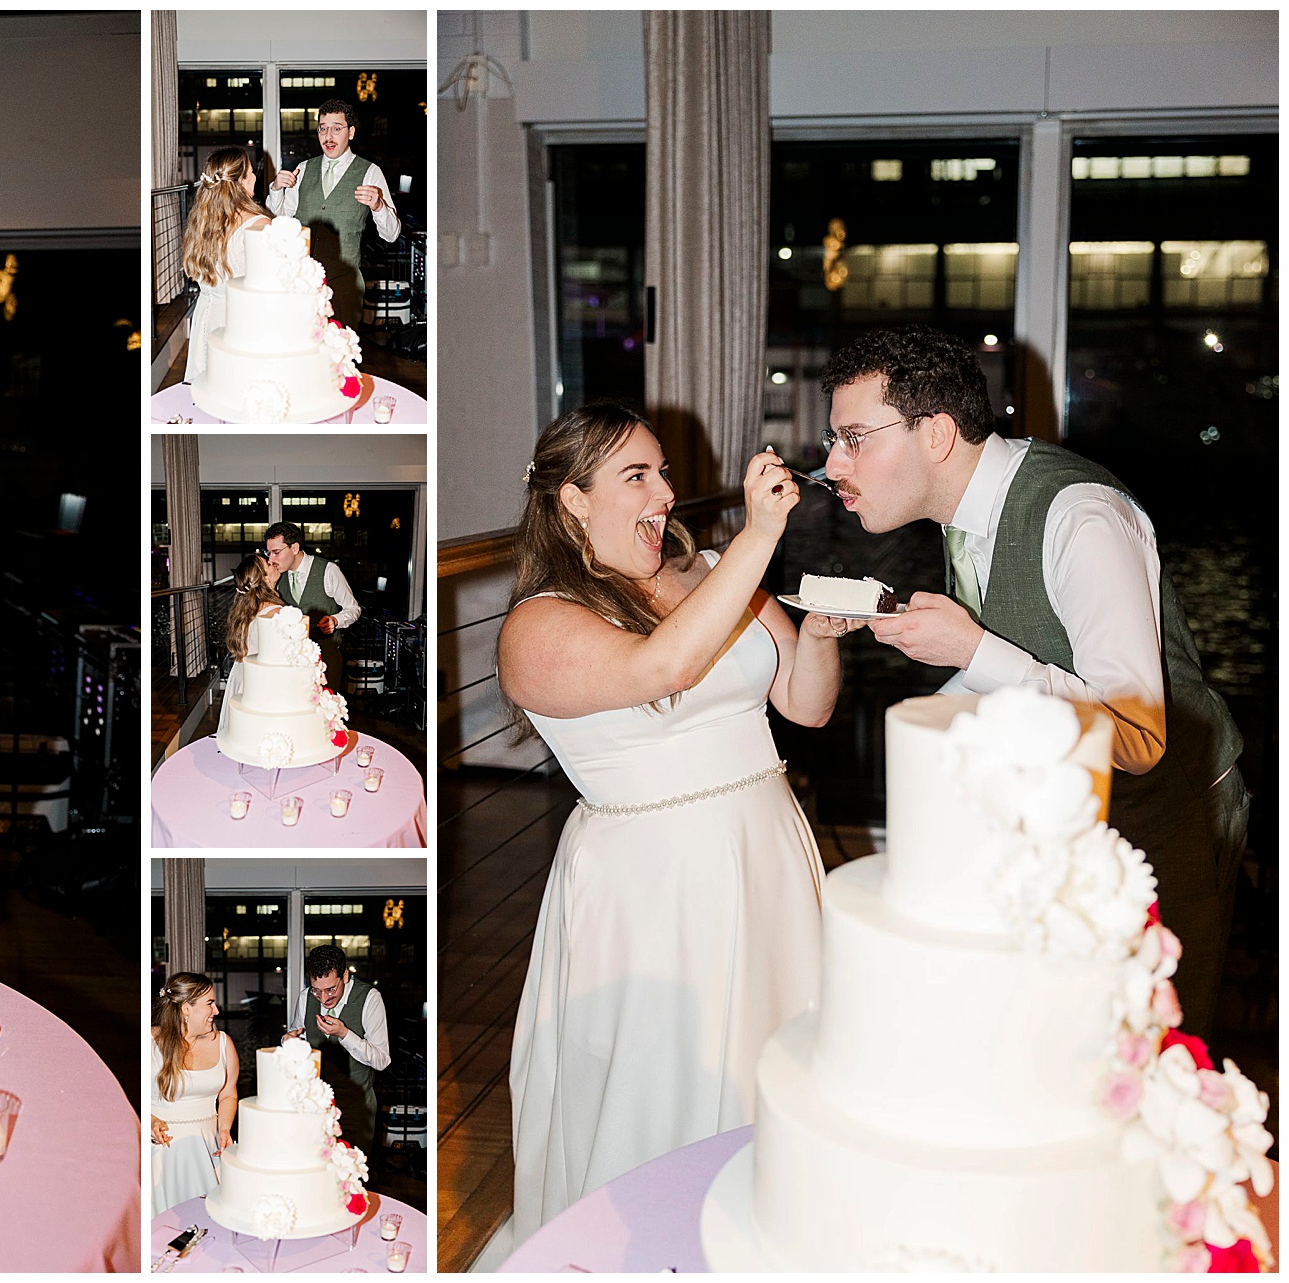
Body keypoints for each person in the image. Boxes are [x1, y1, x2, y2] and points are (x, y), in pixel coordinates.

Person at [495, 403, 859, 1247]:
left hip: (765, 854)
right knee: (666, 1088)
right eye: (637, 476)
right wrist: (759, 537)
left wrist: (822, 634)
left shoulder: (703, 575)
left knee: (776, 1072)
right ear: (574, 500)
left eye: (662, 471)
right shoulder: (537, 625)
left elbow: (805, 704)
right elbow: (662, 665)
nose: (665, 492)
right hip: (655, 888)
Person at [823, 324, 1247, 1038]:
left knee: (1146, 1057)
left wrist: (975, 647)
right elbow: (1014, 664)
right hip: (1066, 825)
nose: (833, 463)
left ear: (936, 434)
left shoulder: (1080, 518)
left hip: (1164, 821)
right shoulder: (963, 516)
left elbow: (1139, 737)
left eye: (855, 437)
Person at [266, 99, 401, 330]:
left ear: (351, 132)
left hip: (345, 283)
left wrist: (379, 206)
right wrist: (276, 189)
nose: (329, 136)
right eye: (323, 128)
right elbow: (277, 219)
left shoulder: (370, 172)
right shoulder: (304, 168)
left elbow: (392, 234)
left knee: (340, 357)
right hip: (302, 281)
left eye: (337, 128)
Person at [284, 944, 391, 1154]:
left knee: (350, 1177)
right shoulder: (306, 998)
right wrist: (288, 1042)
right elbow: (298, 1044)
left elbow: (382, 1060)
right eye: (317, 990)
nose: (323, 999)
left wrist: (345, 1034)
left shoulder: (370, 998)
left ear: (345, 975)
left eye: (330, 989)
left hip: (357, 1108)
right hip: (315, 1107)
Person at [181, 146, 273, 386]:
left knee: (207, 391)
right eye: (250, 173)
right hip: (240, 321)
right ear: (239, 182)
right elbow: (268, 284)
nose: (254, 177)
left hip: (205, 317)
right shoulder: (258, 224)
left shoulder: (202, 222)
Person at [149, 973, 239, 1215]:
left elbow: (228, 1093)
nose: (216, 1011)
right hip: (163, 1153)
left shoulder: (223, 1043)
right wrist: (149, 1121)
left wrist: (224, 1129)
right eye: (209, 1003)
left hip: (207, 1148)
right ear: (186, 1007)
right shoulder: (148, 1041)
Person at [262, 521, 359, 695]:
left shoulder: (328, 570)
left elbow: (353, 609)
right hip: (292, 665)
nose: (271, 559)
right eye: (269, 553)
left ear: (294, 547)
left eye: (276, 552)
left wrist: (335, 620)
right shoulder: (277, 577)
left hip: (327, 660)